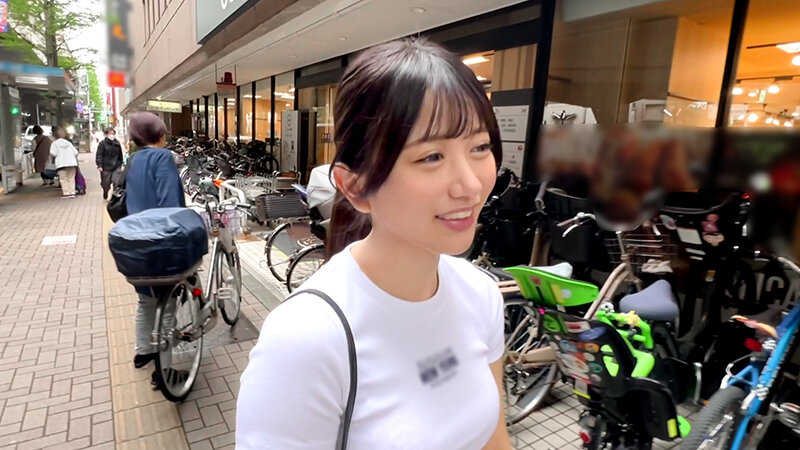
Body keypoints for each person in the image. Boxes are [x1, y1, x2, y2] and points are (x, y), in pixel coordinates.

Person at [237, 39, 511, 449]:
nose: (471, 185)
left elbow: (494, 439)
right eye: (431, 157)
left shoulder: (481, 295)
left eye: (480, 147)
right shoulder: (306, 339)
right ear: (355, 187)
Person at [124, 112, 185, 371]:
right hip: (160, 240)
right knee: (167, 304)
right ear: (158, 133)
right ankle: (164, 369)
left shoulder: (133, 159)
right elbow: (170, 204)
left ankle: (143, 352)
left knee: (146, 300)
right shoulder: (162, 157)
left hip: (134, 238)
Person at [49, 126, 79, 198]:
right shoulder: (68, 143)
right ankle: (72, 192)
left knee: (63, 179)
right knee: (71, 178)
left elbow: (53, 153)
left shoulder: (54, 144)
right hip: (72, 163)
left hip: (61, 163)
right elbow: (76, 152)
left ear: (54, 135)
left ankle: (66, 193)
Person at [96, 127, 124, 199]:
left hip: (116, 166)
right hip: (106, 167)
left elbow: (120, 154)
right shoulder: (102, 144)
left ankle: (115, 197)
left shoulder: (117, 143)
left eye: (113, 133)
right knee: (106, 183)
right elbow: (99, 155)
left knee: (116, 181)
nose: (112, 135)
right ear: (106, 134)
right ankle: (105, 191)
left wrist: (121, 163)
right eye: (110, 134)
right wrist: (99, 165)